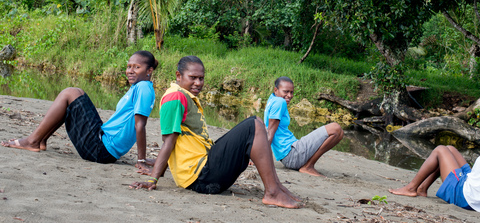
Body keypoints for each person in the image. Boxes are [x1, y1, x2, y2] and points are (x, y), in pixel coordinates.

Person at [129, 56, 301, 209]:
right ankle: (272, 192)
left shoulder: (185, 95)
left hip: (207, 172)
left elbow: (179, 142)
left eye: (201, 78)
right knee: (254, 124)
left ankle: (276, 187)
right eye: (193, 78)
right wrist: (152, 179)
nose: (198, 83)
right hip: (201, 178)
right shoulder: (175, 97)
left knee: (254, 124)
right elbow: (169, 141)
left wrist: (159, 168)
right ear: (178, 76)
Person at [1, 51, 158, 169]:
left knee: (71, 93)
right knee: (75, 94)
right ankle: (40, 140)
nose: (130, 70)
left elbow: (140, 125)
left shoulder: (144, 88)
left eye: (137, 67)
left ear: (149, 70)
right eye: (129, 66)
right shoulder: (138, 87)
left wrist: (141, 160)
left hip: (102, 150)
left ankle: (33, 141)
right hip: (102, 141)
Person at [388, 111, 480, 220]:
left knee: (440, 150)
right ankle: (422, 188)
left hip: (465, 196)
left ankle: (411, 188)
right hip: (470, 184)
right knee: (450, 149)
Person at [264, 76, 343, 177]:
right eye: (286, 92)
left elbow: (267, 130)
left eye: (291, 92)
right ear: (276, 90)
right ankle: (308, 166)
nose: (289, 95)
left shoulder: (272, 100)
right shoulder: (280, 102)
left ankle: (308, 165)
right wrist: (257, 158)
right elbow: (270, 132)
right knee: (335, 128)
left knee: (339, 132)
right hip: (292, 155)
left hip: (292, 152)